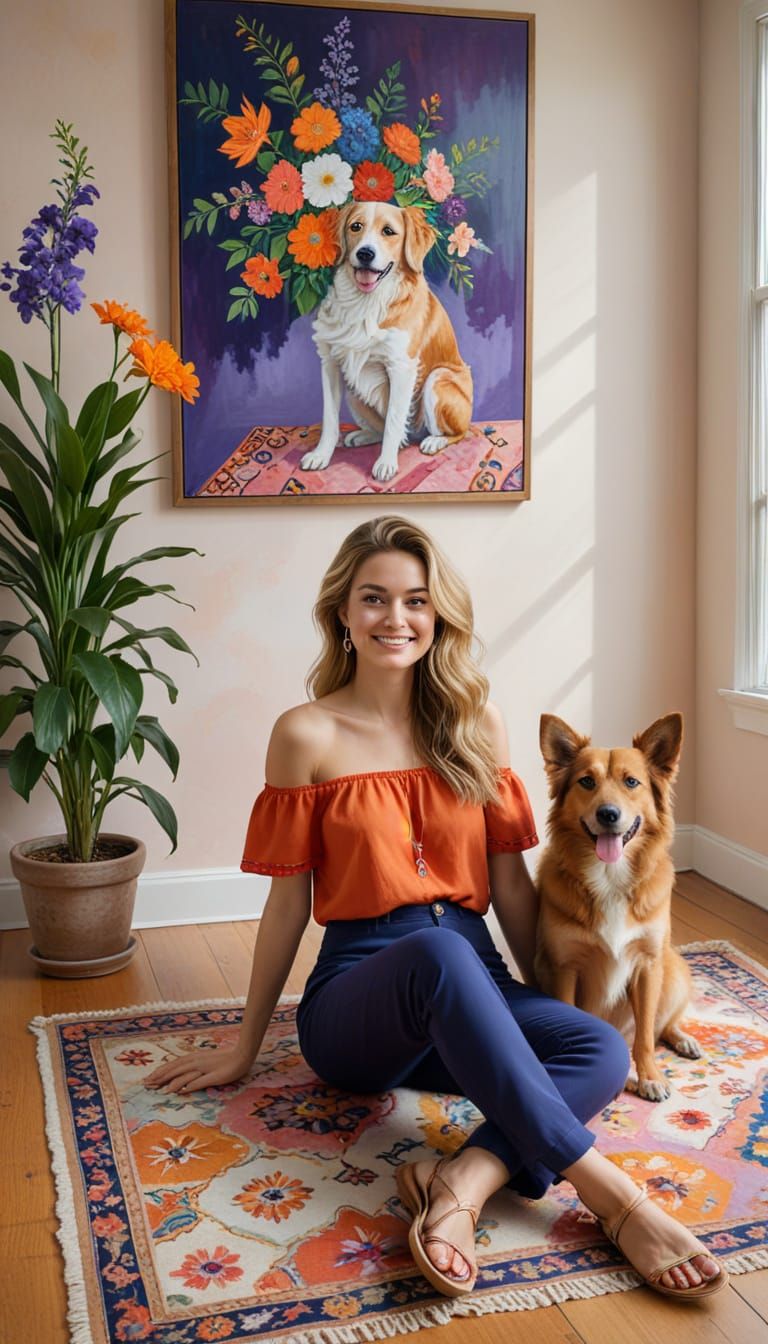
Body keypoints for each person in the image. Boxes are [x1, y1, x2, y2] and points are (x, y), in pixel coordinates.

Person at [145, 516, 727, 1302]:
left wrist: (527, 1010)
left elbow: (512, 888)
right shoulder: (305, 733)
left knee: (598, 1049)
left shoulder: (475, 726)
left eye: (416, 601)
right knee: (440, 950)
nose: (396, 618)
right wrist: (247, 1046)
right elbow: (288, 904)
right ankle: (612, 1194)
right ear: (342, 614)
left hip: (470, 981)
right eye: (374, 599)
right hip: (360, 1002)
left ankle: (460, 1183)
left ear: (439, 614)